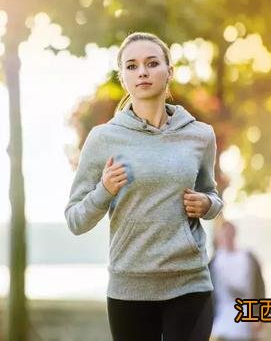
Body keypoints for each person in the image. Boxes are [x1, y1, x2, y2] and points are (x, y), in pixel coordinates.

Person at [64, 32, 224, 340]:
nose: (143, 72)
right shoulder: (103, 139)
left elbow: (212, 196)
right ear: (123, 77)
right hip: (130, 288)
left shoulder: (200, 135)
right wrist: (104, 191)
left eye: (152, 64)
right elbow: (75, 219)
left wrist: (207, 205)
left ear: (169, 71)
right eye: (132, 66)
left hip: (189, 283)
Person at [208, 220, 266, 341]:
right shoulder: (214, 262)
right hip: (223, 320)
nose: (228, 237)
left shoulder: (249, 258)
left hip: (247, 319)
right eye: (225, 234)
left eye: (230, 234)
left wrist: (259, 315)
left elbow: (260, 288)